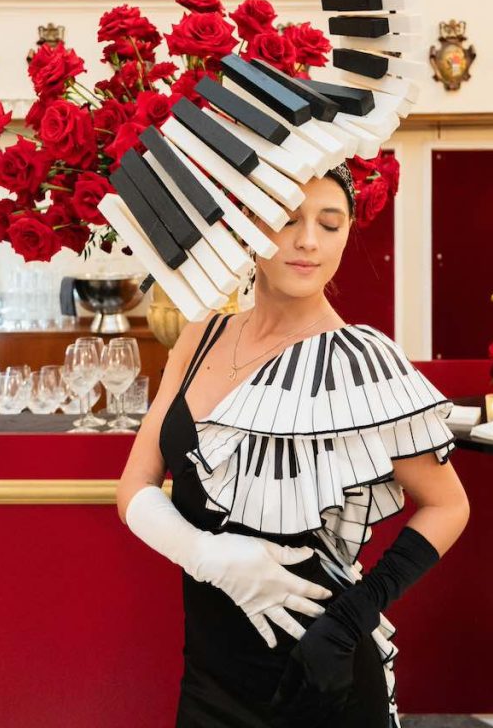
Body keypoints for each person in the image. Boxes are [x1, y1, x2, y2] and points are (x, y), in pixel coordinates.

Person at [117, 162, 470, 727]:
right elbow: (134, 487)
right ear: (248, 225)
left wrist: (350, 620)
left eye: (330, 224)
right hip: (210, 672)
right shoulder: (199, 336)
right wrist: (207, 556)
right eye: (286, 219)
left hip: (320, 673)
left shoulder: (361, 363)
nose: (308, 241)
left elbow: (449, 504)